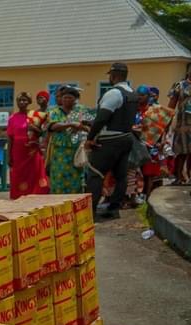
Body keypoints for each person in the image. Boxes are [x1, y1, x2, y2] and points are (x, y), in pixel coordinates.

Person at [85, 63, 137, 218]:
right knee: (120, 175)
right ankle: (113, 209)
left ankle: (90, 212)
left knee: (96, 174)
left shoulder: (114, 93)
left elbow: (102, 118)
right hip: (126, 138)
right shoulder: (132, 93)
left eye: (110, 75)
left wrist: (90, 138)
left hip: (109, 139)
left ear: (113, 75)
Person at [46, 86, 90, 194]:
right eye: (64, 97)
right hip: (59, 151)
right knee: (58, 177)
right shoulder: (54, 111)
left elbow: (89, 126)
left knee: (77, 179)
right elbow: (52, 126)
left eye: (70, 98)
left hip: (76, 150)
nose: (66, 100)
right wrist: (70, 124)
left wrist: (80, 127)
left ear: (76, 99)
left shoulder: (81, 110)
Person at [6, 92, 49, 199]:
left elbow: (43, 132)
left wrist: (35, 129)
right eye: (20, 100)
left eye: (25, 100)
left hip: (32, 150)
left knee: (34, 174)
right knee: (19, 175)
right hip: (18, 151)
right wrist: (9, 155)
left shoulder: (35, 116)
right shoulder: (12, 118)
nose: (22, 102)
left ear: (29, 102)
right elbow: (10, 138)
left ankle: (35, 197)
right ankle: (19, 198)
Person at [135, 85, 175, 195]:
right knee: (136, 173)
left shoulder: (156, 110)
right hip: (136, 145)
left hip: (152, 145)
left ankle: (147, 197)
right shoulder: (133, 110)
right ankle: (137, 195)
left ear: (148, 96)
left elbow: (167, 120)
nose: (139, 97)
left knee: (149, 173)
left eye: (142, 95)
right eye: (138, 95)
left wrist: (163, 139)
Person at [168, 69, 191, 184]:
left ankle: (189, 177)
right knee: (181, 152)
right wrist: (166, 124)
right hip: (182, 125)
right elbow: (171, 106)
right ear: (188, 71)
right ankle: (178, 177)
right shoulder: (179, 85)